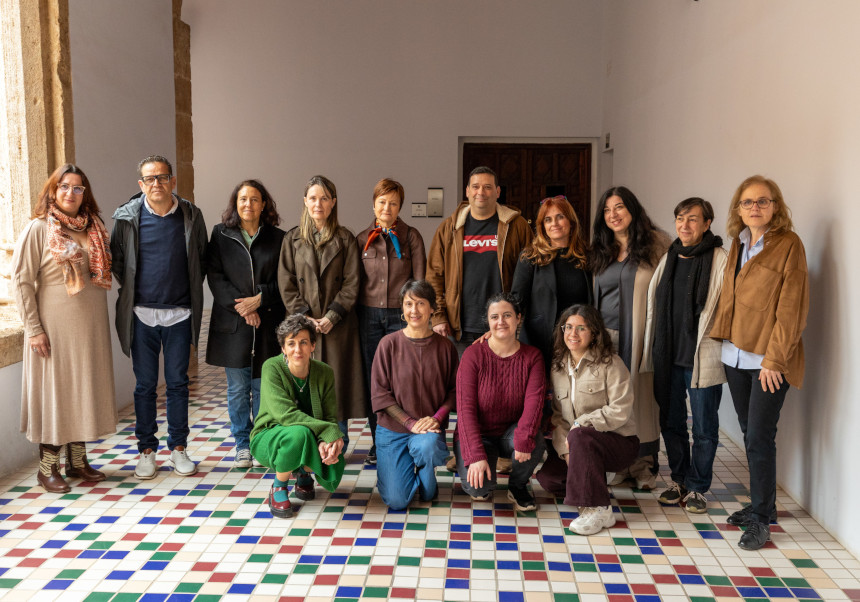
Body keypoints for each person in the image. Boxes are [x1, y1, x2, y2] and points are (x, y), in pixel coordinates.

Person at [709, 175, 808, 551]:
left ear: (776, 207)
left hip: (767, 360)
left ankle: (762, 518)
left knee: (757, 437)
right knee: (752, 432)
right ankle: (761, 504)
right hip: (735, 355)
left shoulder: (788, 245)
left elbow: (791, 308)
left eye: (763, 202)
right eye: (748, 202)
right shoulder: (739, 243)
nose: (755, 208)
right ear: (738, 209)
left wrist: (775, 360)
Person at [12, 164, 118, 492]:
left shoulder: (94, 226)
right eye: (64, 187)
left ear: (85, 193)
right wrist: (33, 329)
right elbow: (21, 280)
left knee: (83, 389)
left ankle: (77, 460)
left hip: (89, 326)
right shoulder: (39, 229)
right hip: (54, 328)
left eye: (78, 188)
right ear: (53, 191)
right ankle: (47, 468)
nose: (71, 193)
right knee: (56, 393)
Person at [111, 155, 208, 480]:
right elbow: (118, 261)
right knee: (145, 386)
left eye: (162, 177)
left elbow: (201, 259)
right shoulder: (127, 218)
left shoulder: (192, 216)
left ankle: (178, 449)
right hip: (142, 316)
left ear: (173, 181)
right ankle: (146, 452)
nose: (156, 184)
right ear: (141, 185)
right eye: (150, 179)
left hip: (180, 314)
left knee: (179, 384)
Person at [642, 198, 728, 513]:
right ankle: (679, 479)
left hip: (702, 357)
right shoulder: (670, 256)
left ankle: (697, 487)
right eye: (680, 218)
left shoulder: (720, 259)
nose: (684, 225)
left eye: (693, 219)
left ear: (707, 223)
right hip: (668, 357)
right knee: (672, 421)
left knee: (705, 426)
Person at [589, 186, 670, 490]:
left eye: (619, 207)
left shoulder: (657, 244)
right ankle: (618, 462)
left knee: (641, 396)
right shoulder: (601, 249)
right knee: (611, 398)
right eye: (607, 210)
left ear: (633, 209)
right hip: (604, 337)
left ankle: (643, 463)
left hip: (641, 334)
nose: (613, 215)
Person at [278, 175, 365, 456]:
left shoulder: (346, 239)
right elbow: (286, 282)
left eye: (324, 198)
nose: (318, 203)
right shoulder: (291, 239)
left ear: (333, 203)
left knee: (335, 384)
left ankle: (338, 440)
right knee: (305, 383)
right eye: (313, 198)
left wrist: (331, 316)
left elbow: (353, 282)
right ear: (305, 202)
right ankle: (309, 441)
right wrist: (305, 317)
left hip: (337, 325)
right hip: (304, 326)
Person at [206, 179, 286, 468]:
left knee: (264, 389)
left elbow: (285, 281)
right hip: (234, 326)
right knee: (238, 390)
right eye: (242, 199)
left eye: (254, 199)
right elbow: (215, 276)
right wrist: (244, 307)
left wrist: (261, 299)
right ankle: (242, 444)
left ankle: (261, 442)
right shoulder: (221, 235)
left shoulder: (279, 238)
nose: (248, 204)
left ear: (264, 204)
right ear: (235, 203)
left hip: (268, 324)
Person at [548, 305, 638, 536]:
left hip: (618, 443)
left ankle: (598, 509)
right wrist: (567, 453)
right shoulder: (558, 367)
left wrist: (581, 424)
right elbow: (558, 418)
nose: (573, 334)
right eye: (568, 327)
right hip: (577, 444)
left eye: (581, 328)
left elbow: (621, 409)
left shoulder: (611, 363)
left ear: (595, 333)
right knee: (549, 479)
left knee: (580, 434)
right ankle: (593, 475)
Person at [356, 178, 426, 465]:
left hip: (401, 316)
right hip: (368, 316)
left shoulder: (411, 237)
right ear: (374, 204)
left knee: (405, 378)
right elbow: (355, 282)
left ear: (400, 206)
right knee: (376, 379)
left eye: (393, 202)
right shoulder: (362, 239)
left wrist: (416, 317)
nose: (387, 207)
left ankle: (408, 435)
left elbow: (419, 283)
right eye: (382, 201)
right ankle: (378, 440)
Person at [454, 293, 546, 511]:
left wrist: (523, 439)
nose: (501, 321)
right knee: (478, 490)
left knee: (535, 440)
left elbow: (535, 403)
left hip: (509, 434)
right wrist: (475, 455)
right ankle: (487, 461)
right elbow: (465, 410)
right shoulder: (472, 355)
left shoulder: (532, 357)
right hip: (479, 434)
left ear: (518, 319)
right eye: (494, 317)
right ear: (488, 321)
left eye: (507, 315)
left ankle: (517, 486)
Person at [426, 166, 532, 355]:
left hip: (503, 325)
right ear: (467, 191)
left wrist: (518, 318)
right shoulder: (449, 228)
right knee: (464, 383)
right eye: (475, 187)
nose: (480, 192)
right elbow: (434, 275)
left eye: (487, 187)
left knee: (501, 384)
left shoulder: (517, 227)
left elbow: (530, 275)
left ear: (498, 191)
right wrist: (439, 316)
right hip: (459, 326)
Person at [371, 280, 457, 510]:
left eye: (420, 303)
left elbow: (454, 391)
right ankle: (407, 468)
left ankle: (427, 474)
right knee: (397, 501)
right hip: (393, 429)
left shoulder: (445, 347)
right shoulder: (388, 344)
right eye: (408, 303)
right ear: (402, 308)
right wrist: (409, 422)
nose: (414, 310)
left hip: (428, 430)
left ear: (432, 309)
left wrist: (436, 418)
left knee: (426, 450)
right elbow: (380, 394)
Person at [250, 315, 346, 519]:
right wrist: (326, 432)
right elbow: (285, 416)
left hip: (307, 435)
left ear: (313, 345)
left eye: (303, 342)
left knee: (335, 448)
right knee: (299, 434)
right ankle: (279, 486)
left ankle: (303, 473)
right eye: (291, 344)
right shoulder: (272, 367)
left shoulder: (325, 372)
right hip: (269, 435)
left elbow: (329, 416)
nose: (297, 349)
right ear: (283, 348)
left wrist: (326, 440)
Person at [510, 195, 592, 371]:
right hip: (539, 343)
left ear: (571, 222)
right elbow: (516, 301)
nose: (554, 223)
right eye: (548, 219)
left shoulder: (586, 257)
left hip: (578, 344)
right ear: (542, 227)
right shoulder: (529, 257)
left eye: (560, 217)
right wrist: (499, 325)